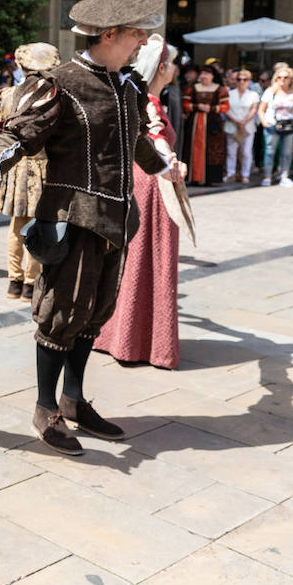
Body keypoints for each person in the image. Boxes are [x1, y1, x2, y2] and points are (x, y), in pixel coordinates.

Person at [0, 0, 181, 456]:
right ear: (109, 35)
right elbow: (19, 135)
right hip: (70, 217)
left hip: (115, 219)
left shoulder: (126, 86)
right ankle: (45, 408)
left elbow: (135, 142)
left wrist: (163, 165)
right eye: (136, 34)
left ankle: (73, 400)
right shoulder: (61, 83)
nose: (143, 42)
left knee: (93, 315)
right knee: (61, 314)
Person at [94, 35, 185, 369]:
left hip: (142, 181)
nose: (175, 68)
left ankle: (121, 336)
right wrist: (170, 163)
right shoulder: (148, 101)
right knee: (149, 257)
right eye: (172, 62)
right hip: (151, 184)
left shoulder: (144, 97)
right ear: (162, 67)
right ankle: (141, 343)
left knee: (135, 258)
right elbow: (155, 138)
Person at [0, 42, 58, 300]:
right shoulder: (53, 96)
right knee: (39, 224)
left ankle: (14, 281)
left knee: (16, 225)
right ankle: (31, 283)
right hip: (45, 166)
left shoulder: (7, 95)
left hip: (17, 165)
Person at [257, 64, 293, 188]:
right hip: (272, 125)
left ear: (290, 79)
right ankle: (267, 176)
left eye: (285, 77)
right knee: (270, 151)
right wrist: (263, 122)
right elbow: (261, 109)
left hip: (289, 125)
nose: (282, 80)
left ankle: (284, 176)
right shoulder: (270, 91)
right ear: (276, 79)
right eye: (280, 77)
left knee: (287, 152)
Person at [182, 64, 228, 185]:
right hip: (194, 124)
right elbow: (185, 104)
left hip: (213, 124)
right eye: (202, 74)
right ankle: (193, 177)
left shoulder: (220, 89)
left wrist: (212, 108)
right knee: (192, 148)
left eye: (207, 74)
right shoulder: (192, 88)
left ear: (213, 76)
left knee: (212, 150)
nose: (203, 76)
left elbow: (226, 106)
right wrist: (197, 106)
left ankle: (209, 178)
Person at [224, 68, 259, 183]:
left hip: (247, 126)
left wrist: (244, 121)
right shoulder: (229, 93)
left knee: (246, 152)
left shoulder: (253, 94)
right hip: (232, 124)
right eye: (239, 79)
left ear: (249, 81)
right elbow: (226, 109)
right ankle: (231, 173)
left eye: (245, 79)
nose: (242, 82)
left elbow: (254, 110)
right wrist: (237, 121)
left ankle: (245, 174)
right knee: (231, 151)